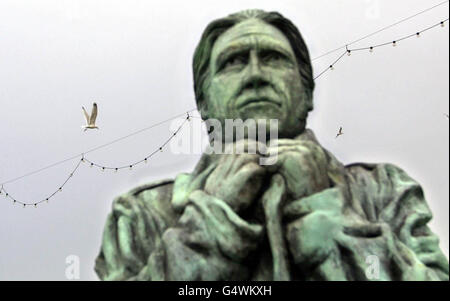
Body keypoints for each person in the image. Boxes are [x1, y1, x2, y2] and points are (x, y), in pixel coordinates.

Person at [94, 9, 448, 281]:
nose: (255, 75)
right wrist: (213, 227)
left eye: (273, 58)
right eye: (233, 62)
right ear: (203, 103)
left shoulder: (384, 191)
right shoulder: (140, 215)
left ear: (307, 92)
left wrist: (327, 215)